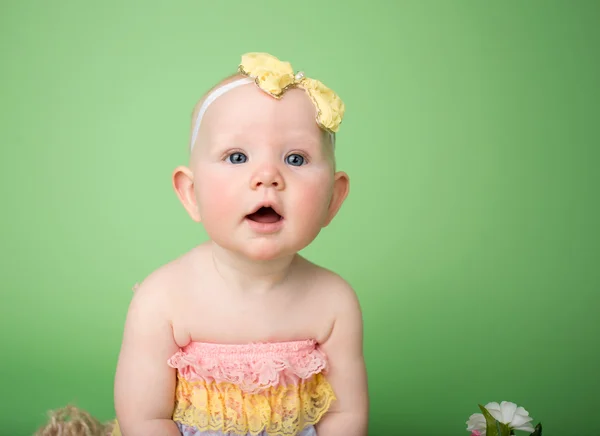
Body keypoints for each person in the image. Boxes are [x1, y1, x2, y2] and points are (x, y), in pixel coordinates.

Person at [37, 52, 368, 436]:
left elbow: (344, 416)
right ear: (191, 193)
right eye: (237, 156)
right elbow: (144, 418)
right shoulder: (163, 299)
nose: (267, 176)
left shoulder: (333, 302)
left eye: (295, 157)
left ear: (333, 198)